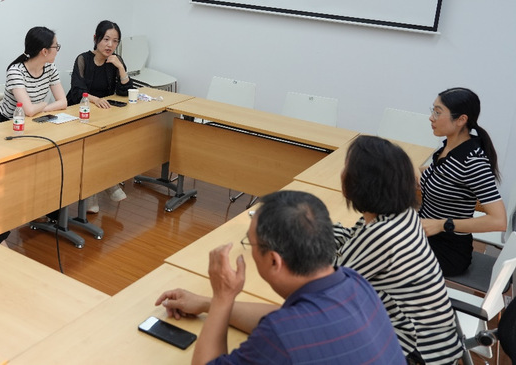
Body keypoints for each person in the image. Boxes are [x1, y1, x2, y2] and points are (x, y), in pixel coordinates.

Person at [156, 190, 405, 365]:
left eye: (251, 243)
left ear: (274, 261)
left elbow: (281, 329)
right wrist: (206, 304)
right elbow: (279, 316)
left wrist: (223, 297)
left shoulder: (280, 338)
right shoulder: (355, 282)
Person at [336, 135, 462, 364]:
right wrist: (317, 228)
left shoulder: (382, 235)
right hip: (434, 341)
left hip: (414, 352)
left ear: (359, 183)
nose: (342, 173)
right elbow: (352, 238)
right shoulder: (404, 215)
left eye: (346, 167)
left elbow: (329, 285)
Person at [419, 87, 506, 276]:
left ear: (461, 120)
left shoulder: (473, 162)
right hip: (425, 235)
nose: (431, 118)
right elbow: (444, 177)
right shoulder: (449, 148)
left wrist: (442, 224)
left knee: (376, 253)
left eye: (438, 112)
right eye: (433, 110)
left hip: (447, 250)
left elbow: (499, 221)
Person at [67, 20, 134, 210]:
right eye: (106, 39)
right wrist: (95, 99)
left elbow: (125, 92)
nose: (110, 45)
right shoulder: (83, 59)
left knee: (109, 144)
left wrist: (121, 68)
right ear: (96, 39)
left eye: (115, 41)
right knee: (94, 146)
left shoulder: (115, 61)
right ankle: (94, 193)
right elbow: (77, 92)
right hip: (78, 114)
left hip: (103, 115)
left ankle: (105, 183)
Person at [0, 26, 67, 123]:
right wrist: (43, 104)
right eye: (56, 47)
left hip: (34, 119)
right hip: (9, 122)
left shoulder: (50, 68)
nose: (57, 50)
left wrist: (40, 108)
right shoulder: (16, 72)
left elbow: (63, 102)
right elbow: (29, 110)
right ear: (45, 51)